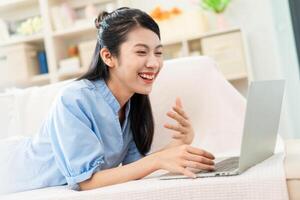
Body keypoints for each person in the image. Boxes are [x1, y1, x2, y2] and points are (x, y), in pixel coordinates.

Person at [0, 7, 215, 194]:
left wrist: (177, 145)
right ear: (108, 56)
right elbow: (87, 181)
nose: (154, 63)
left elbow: (132, 168)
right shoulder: (74, 99)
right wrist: (158, 160)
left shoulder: (132, 104)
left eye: (158, 53)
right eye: (141, 52)